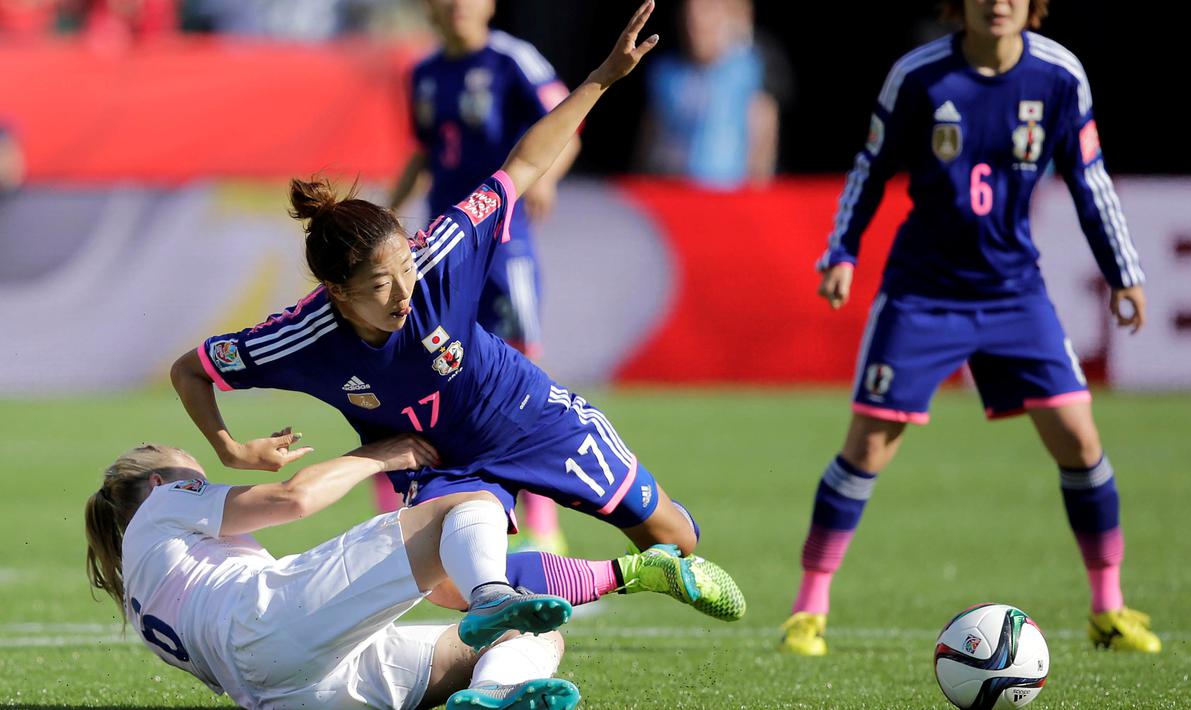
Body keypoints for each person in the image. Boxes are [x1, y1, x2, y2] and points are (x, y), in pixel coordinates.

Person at [170, 0, 745, 624]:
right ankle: (623, 579)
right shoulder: (301, 338)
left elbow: (521, 165)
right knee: (445, 582)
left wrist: (605, 76)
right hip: (439, 457)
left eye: (404, 272)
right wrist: (230, 448)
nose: (403, 295)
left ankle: (651, 559)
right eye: (379, 286)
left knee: (679, 542)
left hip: (527, 415)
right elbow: (191, 370)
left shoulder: (440, 251)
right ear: (336, 291)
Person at [780, 0, 1160, 656]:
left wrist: (1123, 271)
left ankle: (1108, 608)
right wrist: (841, 251)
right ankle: (807, 610)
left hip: (1014, 291)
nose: (999, 3)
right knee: (868, 447)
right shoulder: (919, 77)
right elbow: (870, 167)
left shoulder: (1059, 77)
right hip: (922, 294)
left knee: (1077, 436)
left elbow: (1087, 179)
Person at [84, 438, 581, 709]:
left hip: (285, 690)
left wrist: (448, 575)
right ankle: (490, 595)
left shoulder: (141, 589)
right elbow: (293, 498)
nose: (210, 487)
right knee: (472, 501)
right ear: (158, 484)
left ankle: (493, 694)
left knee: (536, 635)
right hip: (266, 627)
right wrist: (379, 455)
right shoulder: (165, 504)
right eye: (198, 478)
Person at [385, 0, 582, 552]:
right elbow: (426, 154)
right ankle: (441, 509)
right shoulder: (423, 74)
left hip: (504, 244)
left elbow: (569, 127)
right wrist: (385, 218)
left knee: (523, 375)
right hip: (442, 250)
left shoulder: (514, 60)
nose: (457, 6)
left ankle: (545, 527)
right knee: (436, 374)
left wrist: (548, 177)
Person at [636, 0, 779, 189]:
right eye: (690, 12)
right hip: (671, 195)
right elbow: (649, 142)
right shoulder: (664, 75)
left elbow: (764, 124)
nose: (696, 22)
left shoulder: (748, 71)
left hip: (727, 197)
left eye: (708, 11)